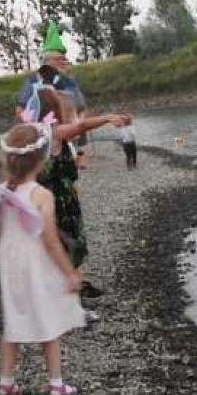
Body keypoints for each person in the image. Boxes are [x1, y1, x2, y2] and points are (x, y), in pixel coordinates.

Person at [0, 121, 86, 395]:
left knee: (13, 323)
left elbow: (1, 231)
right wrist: (69, 272)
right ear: (41, 160)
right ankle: (56, 384)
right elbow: (50, 240)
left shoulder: (3, 191)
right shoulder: (41, 195)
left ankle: (6, 382)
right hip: (35, 265)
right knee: (47, 321)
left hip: (9, 264)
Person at [30, 86, 131, 304]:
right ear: (53, 108)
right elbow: (81, 126)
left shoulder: (33, 134)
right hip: (60, 203)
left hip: (45, 200)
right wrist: (108, 117)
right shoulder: (53, 133)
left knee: (54, 248)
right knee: (67, 246)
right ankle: (71, 297)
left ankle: (65, 292)